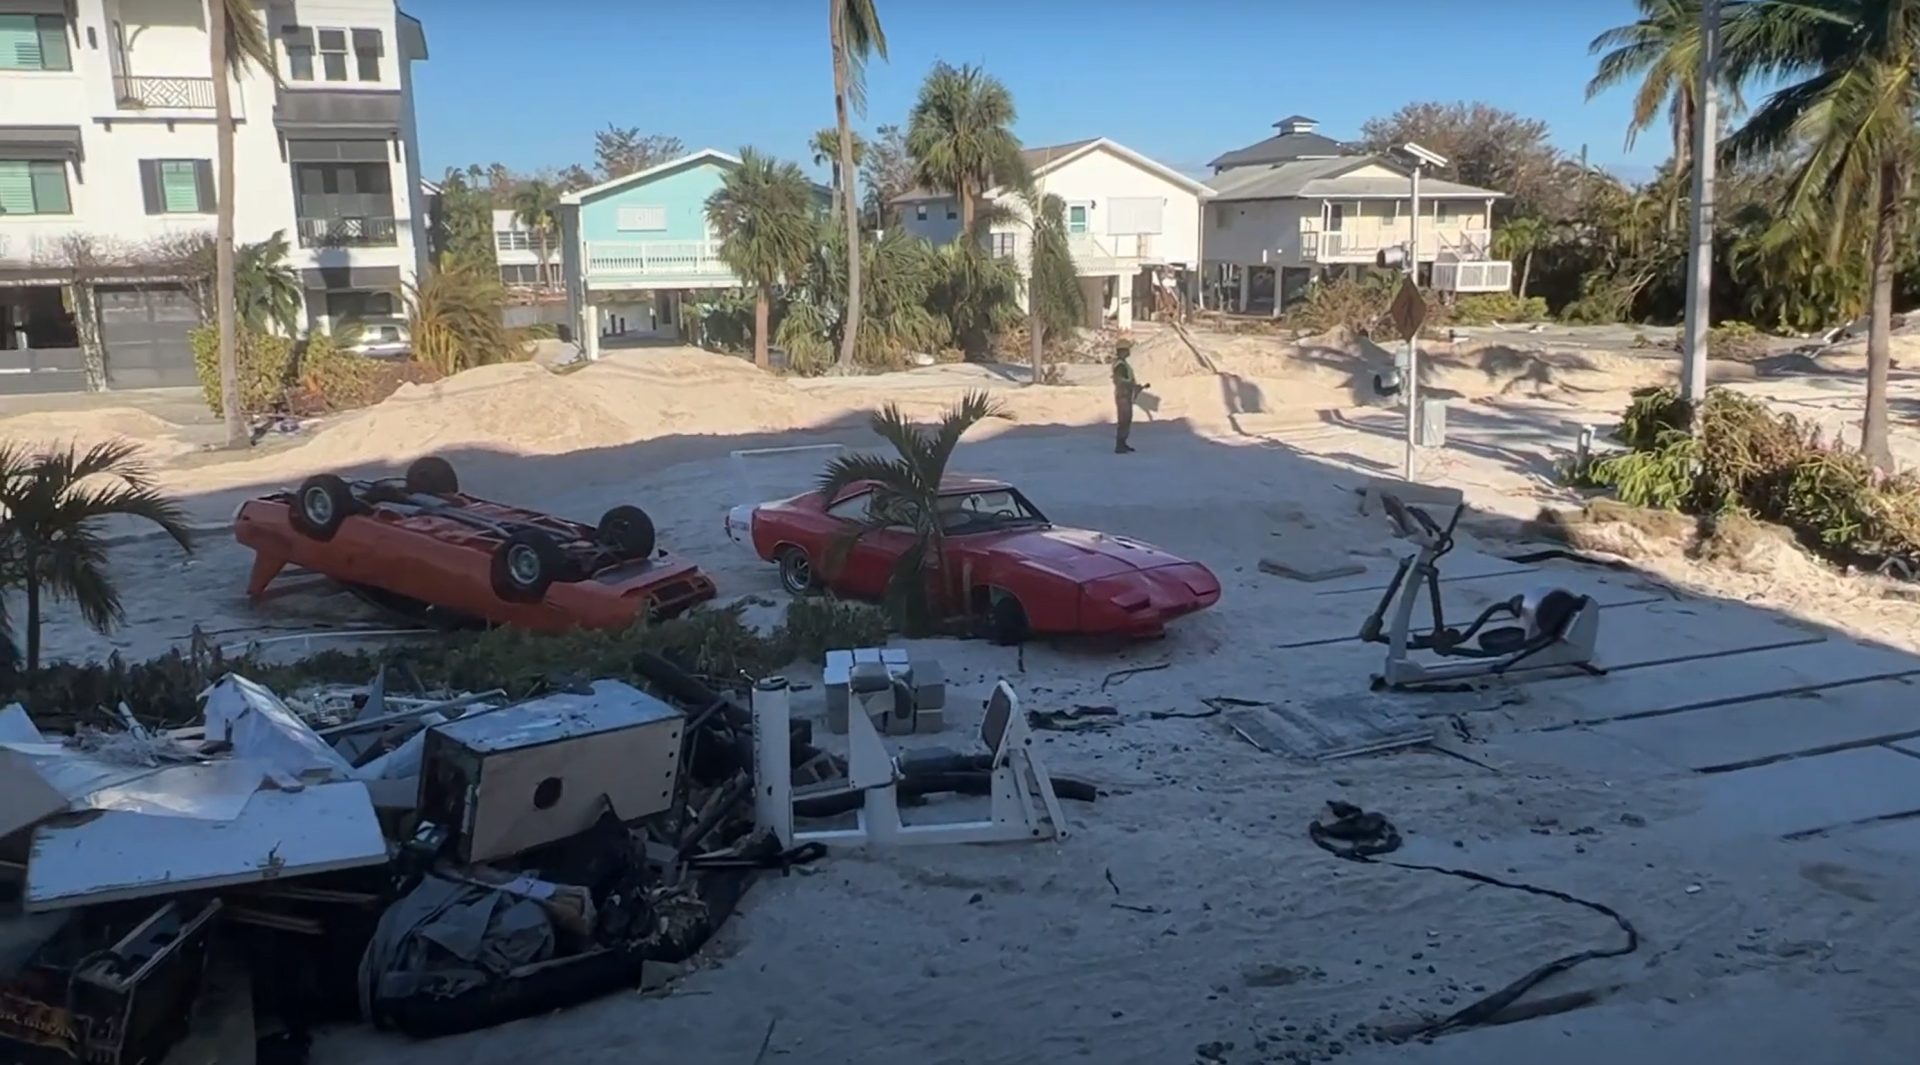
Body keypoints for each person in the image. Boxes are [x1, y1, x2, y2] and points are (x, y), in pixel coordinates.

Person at [1111, 342, 1147, 453]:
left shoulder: (1122, 364)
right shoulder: (1120, 365)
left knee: (1126, 420)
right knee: (1124, 420)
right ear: (1122, 351)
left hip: (1125, 394)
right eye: (1126, 350)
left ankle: (1122, 443)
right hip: (1123, 395)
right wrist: (1133, 386)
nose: (1128, 352)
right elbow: (1121, 380)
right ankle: (1120, 445)